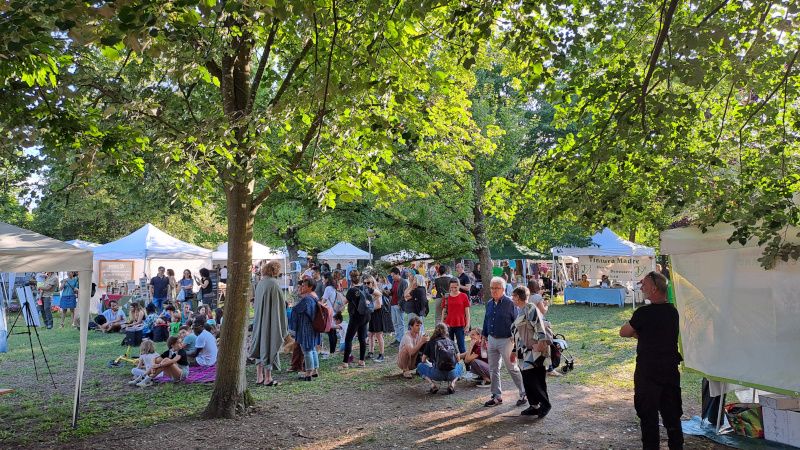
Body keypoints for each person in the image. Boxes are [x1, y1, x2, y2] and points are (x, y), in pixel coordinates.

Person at [620, 271, 683, 450]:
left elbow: (624, 331)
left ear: (654, 288)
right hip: (670, 369)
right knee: (672, 416)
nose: (642, 287)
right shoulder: (673, 312)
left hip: (648, 371)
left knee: (648, 416)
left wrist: (640, 334)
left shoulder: (643, 313)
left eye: (644, 284)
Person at [482, 276, 526, 407]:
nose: (494, 290)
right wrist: (484, 335)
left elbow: (517, 321)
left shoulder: (510, 303)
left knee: (512, 367)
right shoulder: (489, 303)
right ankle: (496, 396)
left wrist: (515, 337)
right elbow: (486, 320)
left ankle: (524, 393)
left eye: (497, 288)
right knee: (493, 369)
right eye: (492, 288)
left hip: (507, 340)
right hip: (492, 339)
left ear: (504, 289)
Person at [510, 286, 552, 418]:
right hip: (524, 352)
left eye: (513, 296)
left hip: (534, 351)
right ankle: (534, 405)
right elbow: (518, 334)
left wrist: (540, 344)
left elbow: (539, 325)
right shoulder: (522, 310)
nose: (512, 299)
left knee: (535, 379)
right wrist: (514, 350)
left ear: (518, 297)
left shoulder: (530, 308)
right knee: (528, 380)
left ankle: (545, 404)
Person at [250, 261, 288, 386]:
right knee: (268, 344)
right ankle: (268, 378)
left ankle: (259, 376)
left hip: (259, 320)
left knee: (260, 345)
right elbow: (279, 306)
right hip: (270, 320)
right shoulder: (273, 284)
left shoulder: (261, 283)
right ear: (275, 270)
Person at [416, 323, 463, 395]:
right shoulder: (451, 342)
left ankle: (432, 385)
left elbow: (423, 360)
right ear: (446, 331)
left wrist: (430, 364)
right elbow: (458, 359)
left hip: (436, 374)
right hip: (451, 374)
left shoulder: (430, 342)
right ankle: (453, 383)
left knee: (419, 365)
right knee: (461, 365)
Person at [340, 270, 373, 369]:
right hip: (366, 316)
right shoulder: (365, 287)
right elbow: (378, 293)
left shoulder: (351, 291)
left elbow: (344, 303)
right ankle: (362, 361)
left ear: (351, 279)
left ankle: (345, 363)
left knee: (348, 339)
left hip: (355, 317)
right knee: (362, 338)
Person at [290, 278, 321, 381]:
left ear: (310, 287)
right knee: (313, 349)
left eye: (303, 285)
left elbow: (296, 309)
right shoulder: (315, 296)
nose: (301, 287)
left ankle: (308, 373)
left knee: (307, 350)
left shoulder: (307, 299)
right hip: (314, 326)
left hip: (306, 327)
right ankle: (315, 371)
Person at [366, 275, 393, 362]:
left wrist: (368, 308)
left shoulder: (376, 291)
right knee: (370, 334)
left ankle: (381, 354)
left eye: (368, 283)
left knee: (378, 335)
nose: (366, 284)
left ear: (372, 282)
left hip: (377, 314)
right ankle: (371, 352)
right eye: (365, 283)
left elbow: (378, 305)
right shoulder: (369, 291)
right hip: (372, 315)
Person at [442, 278, 470, 354]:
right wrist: (442, 324)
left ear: (459, 286)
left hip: (460, 325)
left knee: (461, 347)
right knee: (449, 347)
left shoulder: (464, 296)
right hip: (448, 325)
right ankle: (452, 365)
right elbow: (444, 311)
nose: (453, 289)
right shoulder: (446, 297)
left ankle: (467, 365)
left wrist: (467, 324)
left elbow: (467, 312)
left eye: (455, 287)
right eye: (451, 287)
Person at [386, 267, 409, 346]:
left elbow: (404, 294)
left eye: (393, 276)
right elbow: (392, 291)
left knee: (400, 323)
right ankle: (398, 338)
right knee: (395, 323)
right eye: (391, 276)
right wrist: (387, 292)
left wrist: (400, 303)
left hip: (399, 305)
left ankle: (402, 340)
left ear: (398, 274)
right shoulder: (394, 282)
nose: (392, 277)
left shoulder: (403, 282)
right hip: (393, 304)